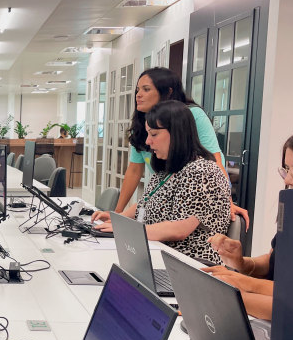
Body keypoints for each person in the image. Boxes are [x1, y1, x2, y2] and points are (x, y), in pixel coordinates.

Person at [203, 122, 293, 320]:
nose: (289, 180)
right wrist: (243, 263)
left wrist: (237, 289)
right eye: (287, 169)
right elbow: (275, 261)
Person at [99, 67, 249, 229]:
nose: (138, 95)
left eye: (146, 89)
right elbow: (134, 170)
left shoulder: (190, 116)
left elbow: (214, 159)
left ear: (168, 92)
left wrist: (226, 201)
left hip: (191, 197)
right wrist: (117, 214)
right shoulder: (142, 124)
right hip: (168, 193)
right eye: (137, 90)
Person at [93, 101, 231, 264]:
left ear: (177, 133)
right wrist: (117, 219)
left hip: (191, 265)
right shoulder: (167, 169)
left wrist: (125, 230)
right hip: (157, 255)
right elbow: (145, 204)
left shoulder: (203, 171)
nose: (148, 142)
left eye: (154, 134)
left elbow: (179, 229)